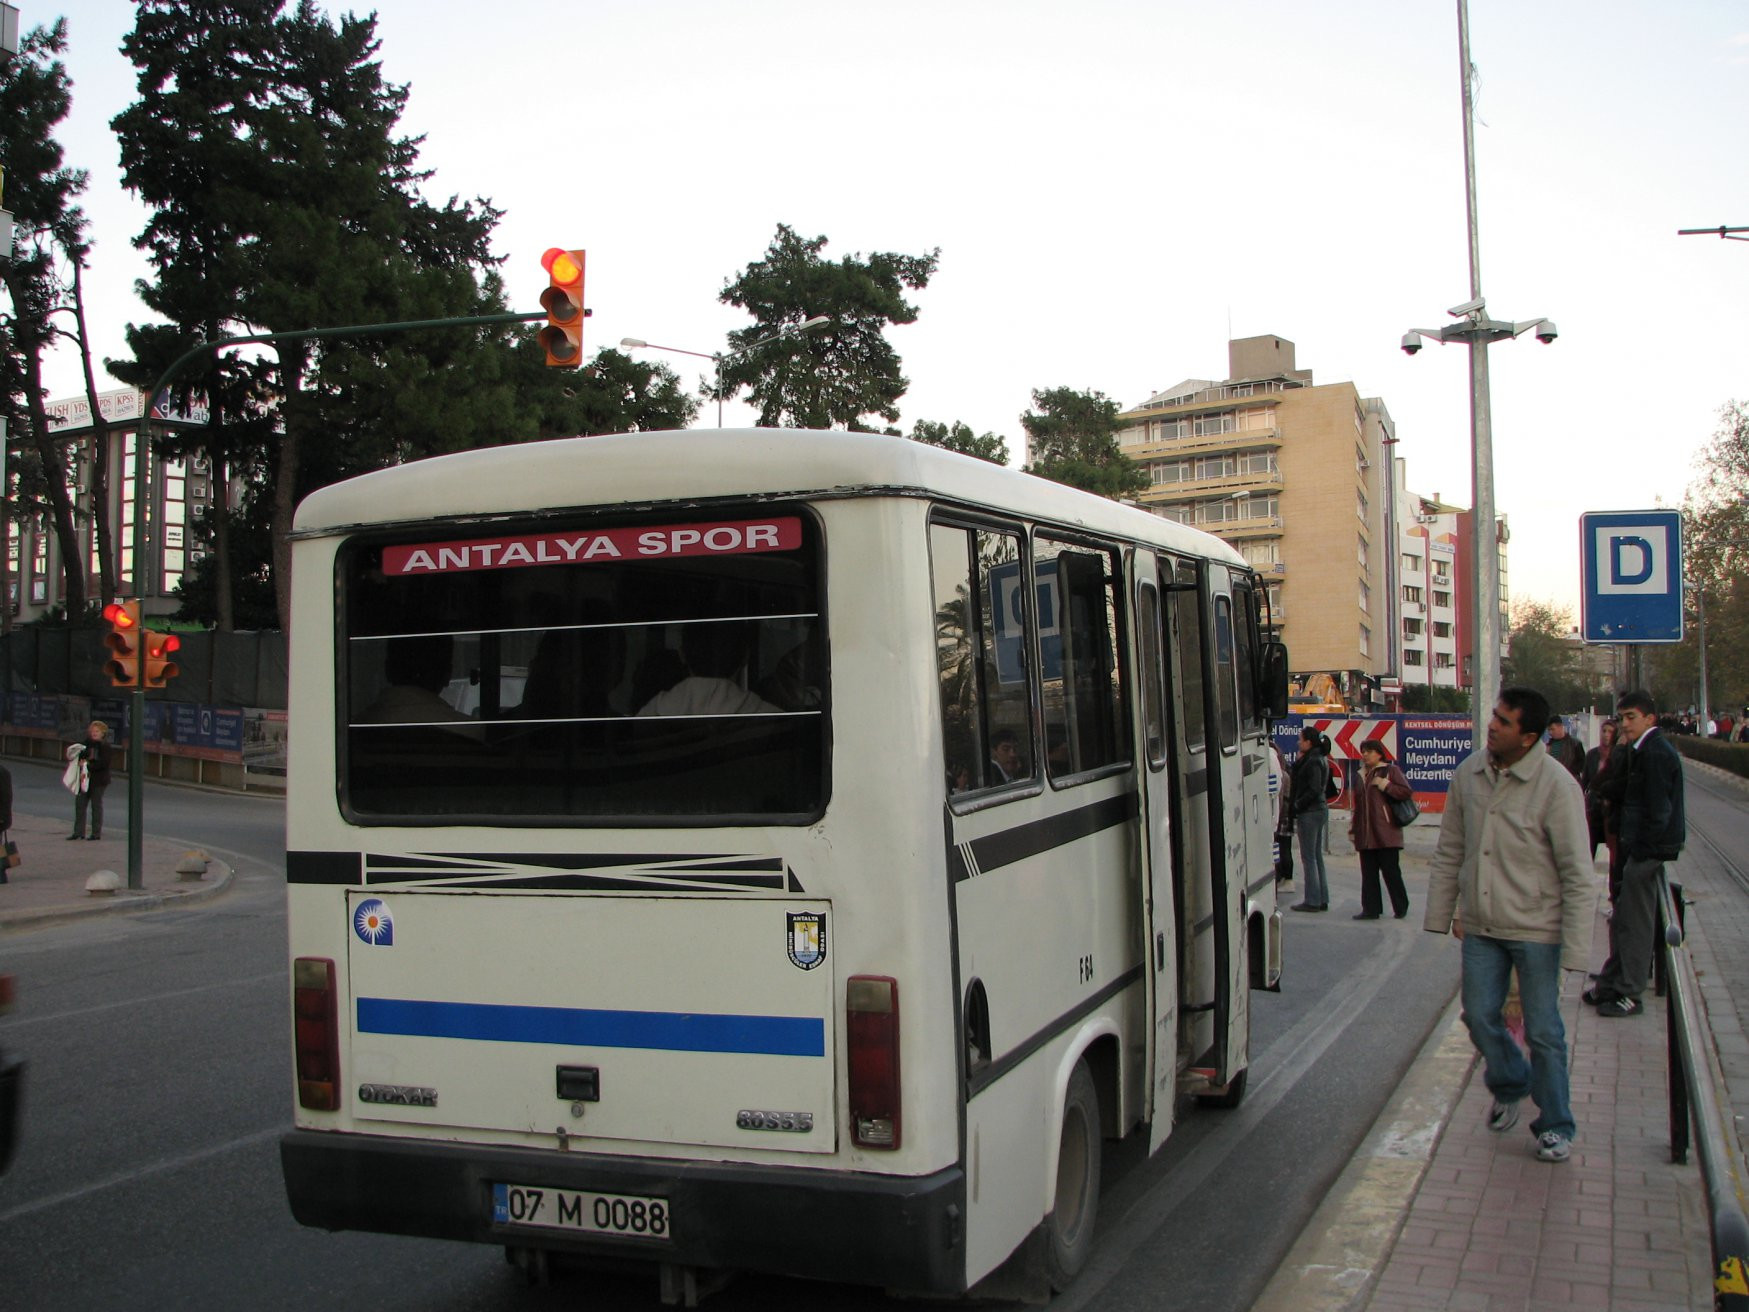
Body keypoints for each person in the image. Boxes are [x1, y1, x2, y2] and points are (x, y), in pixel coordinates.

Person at [1423, 687, 1595, 1164]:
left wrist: (1577, 951)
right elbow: (1450, 850)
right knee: (1478, 1015)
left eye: (1504, 721)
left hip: (1538, 931)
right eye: (1493, 716)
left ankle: (1556, 1125)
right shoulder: (1469, 775)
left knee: (1543, 1031)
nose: (1492, 725)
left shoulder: (1557, 787)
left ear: (1529, 737)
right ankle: (1511, 1081)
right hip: (1482, 927)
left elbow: (1579, 876)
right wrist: (1441, 915)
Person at [1584, 691, 1685, 1019]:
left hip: (1647, 852)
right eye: (1622, 718)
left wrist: (1641, 848)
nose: (1624, 724)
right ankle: (1614, 981)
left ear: (1650, 719)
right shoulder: (1641, 750)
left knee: (1636, 924)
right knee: (1624, 919)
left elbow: (1658, 810)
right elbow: (1626, 788)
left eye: (1631, 718)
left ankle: (1630, 992)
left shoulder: (1655, 753)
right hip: (1637, 850)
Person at [1348, 738, 1413, 920]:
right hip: (1366, 834)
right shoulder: (1360, 775)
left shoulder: (1390, 771)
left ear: (1379, 753)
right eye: (1363, 751)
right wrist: (1354, 828)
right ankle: (1371, 909)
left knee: (1391, 872)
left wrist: (1386, 785)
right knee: (1368, 874)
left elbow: (1405, 791)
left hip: (1386, 832)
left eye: (1369, 751)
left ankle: (1401, 906)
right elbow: (1359, 805)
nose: (1365, 755)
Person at [1288, 727, 1331, 913]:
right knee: (1316, 856)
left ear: (1309, 742)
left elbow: (1313, 789)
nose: (1299, 742)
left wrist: (1298, 805)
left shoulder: (1312, 761)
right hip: (1319, 810)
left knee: (1309, 857)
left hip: (1310, 812)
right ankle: (1321, 897)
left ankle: (1312, 899)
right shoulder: (1319, 759)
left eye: (1301, 739)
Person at [66, 720, 114, 841]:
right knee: (80, 804)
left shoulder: (105, 747)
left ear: (102, 733)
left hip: (99, 780)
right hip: (84, 779)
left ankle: (96, 833)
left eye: (97, 731)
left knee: (96, 805)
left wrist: (88, 765)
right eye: (92, 731)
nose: (94, 733)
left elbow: (104, 763)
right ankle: (78, 832)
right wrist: (81, 761)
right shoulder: (85, 744)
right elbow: (77, 757)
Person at [1581, 719, 1619, 866]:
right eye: (1604, 731)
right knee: (1590, 844)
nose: (1606, 735)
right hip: (1593, 806)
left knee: (1613, 849)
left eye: (1610, 732)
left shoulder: (1618, 755)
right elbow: (1585, 781)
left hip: (1610, 808)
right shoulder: (1592, 755)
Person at [1270, 738, 1295, 887]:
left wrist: (1278, 817)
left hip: (1283, 817)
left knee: (1284, 849)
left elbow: (1281, 798)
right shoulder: (1284, 774)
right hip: (1283, 815)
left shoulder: (1283, 776)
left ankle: (1286, 877)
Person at [1543, 715, 1584, 782]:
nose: (1550, 732)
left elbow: (1581, 764)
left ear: (1560, 727)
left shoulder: (1575, 744)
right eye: (1549, 730)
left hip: (1569, 781)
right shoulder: (1548, 746)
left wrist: (1568, 772)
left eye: (1552, 729)